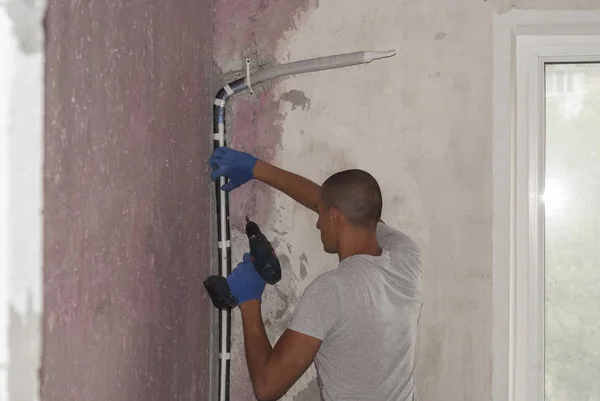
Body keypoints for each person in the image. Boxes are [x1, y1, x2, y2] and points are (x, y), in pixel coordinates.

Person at [209, 147, 423, 401]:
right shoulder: (406, 257)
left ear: (333, 216)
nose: (318, 223)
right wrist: (256, 168)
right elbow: (346, 206)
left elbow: (267, 387)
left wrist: (249, 299)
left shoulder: (331, 292)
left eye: (321, 214)